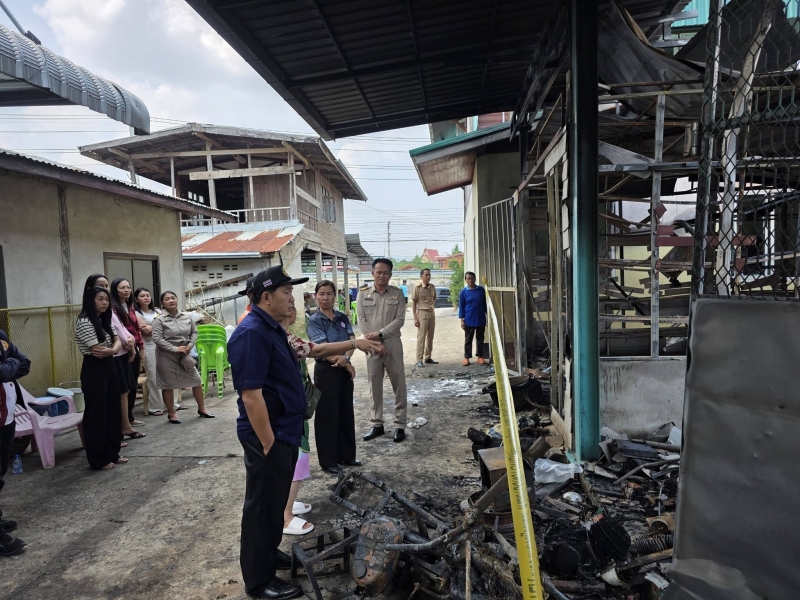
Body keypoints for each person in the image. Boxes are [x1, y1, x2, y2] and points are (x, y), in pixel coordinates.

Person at [227, 266, 310, 600]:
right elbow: (251, 395)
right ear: (266, 296)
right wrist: (268, 443)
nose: (291, 298)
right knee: (261, 508)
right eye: (286, 292)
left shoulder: (271, 328)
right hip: (267, 435)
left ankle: (268, 553)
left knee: (274, 501)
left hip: (283, 429)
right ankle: (258, 581)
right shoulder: (251, 333)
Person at [279, 306, 383, 534]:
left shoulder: (286, 336)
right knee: (294, 457)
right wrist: (354, 344)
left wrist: (349, 353)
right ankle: (284, 516)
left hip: (295, 405)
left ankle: (286, 502)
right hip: (285, 409)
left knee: (297, 454)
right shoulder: (277, 337)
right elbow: (318, 349)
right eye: (286, 296)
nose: (292, 305)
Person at [307, 281, 359, 474]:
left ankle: (347, 455)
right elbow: (321, 348)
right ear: (316, 296)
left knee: (345, 412)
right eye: (321, 294)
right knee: (327, 415)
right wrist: (344, 362)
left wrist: (346, 359)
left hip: (344, 369)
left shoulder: (341, 317)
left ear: (335, 296)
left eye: (329, 294)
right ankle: (328, 460)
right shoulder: (314, 320)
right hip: (326, 371)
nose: (325, 298)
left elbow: (352, 341)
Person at [74, 286, 128, 470]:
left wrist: (112, 350)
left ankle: (112, 453)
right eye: (100, 299)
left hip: (110, 365)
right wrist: (114, 348)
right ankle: (98, 459)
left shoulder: (104, 318)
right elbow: (97, 350)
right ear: (91, 301)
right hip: (94, 368)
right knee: (97, 414)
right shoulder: (84, 321)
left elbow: (116, 341)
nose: (105, 303)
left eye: (106, 299)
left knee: (113, 411)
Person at [357, 258, 408, 443]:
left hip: (392, 344)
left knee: (399, 384)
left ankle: (400, 425)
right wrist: (375, 342)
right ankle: (377, 424)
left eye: (386, 273)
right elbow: (361, 320)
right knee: (374, 385)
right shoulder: (363, 294)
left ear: (390, 275)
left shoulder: (397, 294)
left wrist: (380, 335)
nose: (382, 276)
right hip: (372, 346)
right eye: (378, 272)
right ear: (372, 273)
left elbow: (400, 319)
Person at [152, 291, 215, 424]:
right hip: (166, 356)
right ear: (162, 303)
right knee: (168, 385)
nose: (171, 300)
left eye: (173, 298)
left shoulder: (186, 316)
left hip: (185, 354)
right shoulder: (159, 319)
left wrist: (190, 345)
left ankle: (202, 408)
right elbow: (157, 339)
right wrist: (175, 349)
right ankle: (171, 413)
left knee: (196, 380)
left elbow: (194, 332)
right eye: (167, 299)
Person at [0, 327, 30, 556]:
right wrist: (10, 364)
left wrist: (7, 367)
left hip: (6, 417)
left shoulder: (0, 335)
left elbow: (25, 363)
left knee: (0, 473)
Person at [110, 279, 145, 427]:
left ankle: (130, 417)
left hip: (134, 348)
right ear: (115, 290)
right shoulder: (112, 308)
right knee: (125, 386)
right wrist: (129, 345)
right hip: (122, 351)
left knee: (133, 383)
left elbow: (136, 329)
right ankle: (123, 420)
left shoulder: (130, 307)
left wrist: (140, 347)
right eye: (122, 287)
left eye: (128, 287)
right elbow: (118, 330)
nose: (126, 290)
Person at [134, 288, 165, 416]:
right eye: (142, 296)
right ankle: (156, 406)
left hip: (162, 345)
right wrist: (159, 326)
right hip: (148, 346)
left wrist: (153, 327)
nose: (146, 297)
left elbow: (168, 326)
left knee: (167, 373)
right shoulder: (136, 313)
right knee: (153, 376)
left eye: (148, 295)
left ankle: (172, 403)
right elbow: (145, 331)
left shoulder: (158, 310)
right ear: (136, 299)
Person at [459, 272, 488, 366]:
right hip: (469, 319)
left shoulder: (481, 290)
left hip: (480, 319)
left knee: (480, 339)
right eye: (468, 279)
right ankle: (466, 358)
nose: (470, 280)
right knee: (468, 340)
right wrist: (462, 320)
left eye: (472, 278)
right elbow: (461, 306)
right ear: (465, 280)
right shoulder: (463, 292)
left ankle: (480, 357)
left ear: (475, 279)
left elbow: (485, 304)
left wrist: (488, 316)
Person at [410, 268, 438, 368]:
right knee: (421, 337)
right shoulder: (417, 288)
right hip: (422, 313)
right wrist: (415, 318)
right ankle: (419, 359)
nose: (428, 277)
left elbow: (434, 299)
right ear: (421, 276)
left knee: (430, 337)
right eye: (426, 275)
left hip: (431, 313)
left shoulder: (432, 287)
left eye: (429, 275)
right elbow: (414, 303)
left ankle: (428, 357)